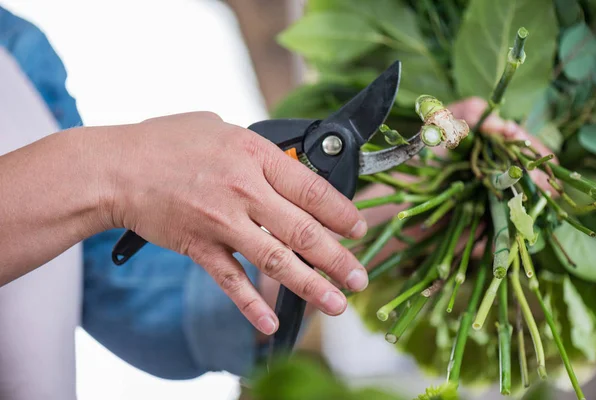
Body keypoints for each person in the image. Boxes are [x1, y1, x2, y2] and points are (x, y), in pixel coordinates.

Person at [0, 4, 551, 400]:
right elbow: (114, 190)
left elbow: (156, 304)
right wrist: (108, 170)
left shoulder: (20, 54)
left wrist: (411, 208)